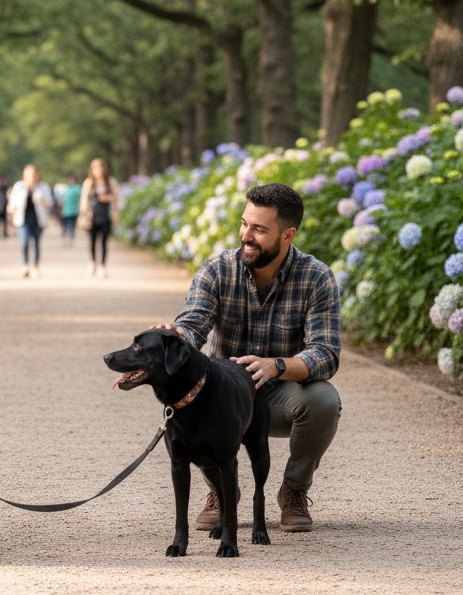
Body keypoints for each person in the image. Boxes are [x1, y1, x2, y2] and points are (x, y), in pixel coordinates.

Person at [159, 182, 342, 533]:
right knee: (187, 396)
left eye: (259, 229)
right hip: (225, 397)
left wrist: (278, 366)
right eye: (244, 224)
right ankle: (219, 491)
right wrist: (176, 335)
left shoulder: (316, 277)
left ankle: (294, 491)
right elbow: (193, 324)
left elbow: (326, 353)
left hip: (279, 391)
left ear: (287, 235)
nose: (246, 235)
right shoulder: (217, 269)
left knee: (323, 399)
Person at [7, 163, 54, 278]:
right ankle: (25, 265)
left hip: (38, 219)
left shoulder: (43, 187)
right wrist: (11, 216)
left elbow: (50, 203)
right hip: (23, 219)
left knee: (36, 242)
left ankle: (36, 266)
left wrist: (41, 199)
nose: (32, 176)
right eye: (29, 174)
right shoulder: (19, 186)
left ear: (38, 175)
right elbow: (12, 203)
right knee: (25, 242)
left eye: (33, 174)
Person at [79, 158, 122, 278]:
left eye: (101, 167)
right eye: (96, 168)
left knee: (103, 241)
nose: (99, 170)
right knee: (92, 241)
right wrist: (85, 213)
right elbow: (84, 200)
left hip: (105, 215)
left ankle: (102, 265)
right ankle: (92, 262)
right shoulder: (88, 183)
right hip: (91, 216)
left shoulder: (111, 182)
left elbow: (118, 197)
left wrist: (108, 198)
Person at [59, 173, 82, 245]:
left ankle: (69, 238)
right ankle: (68, 238)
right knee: (68, 225)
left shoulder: (76, 189)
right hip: (67, 210)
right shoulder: (68, 189)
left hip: (72, 210)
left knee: (70, 225)